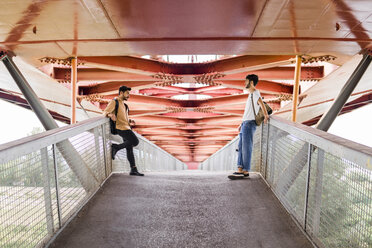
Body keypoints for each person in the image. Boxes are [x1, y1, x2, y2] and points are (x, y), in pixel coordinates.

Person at [103, 85, 144, 176]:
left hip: (126, 127)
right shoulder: (114, 102)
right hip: (121, 128)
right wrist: (110, 115)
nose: (129, 95)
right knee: (135, 141)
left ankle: (133, 169)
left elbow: (123, 117)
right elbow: (105, 112)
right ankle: (116, 147)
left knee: (129, 149)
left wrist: (129, 120)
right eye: (127, 93)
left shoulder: (125, 105)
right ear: (121, 93)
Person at [234, 74, 269, 177]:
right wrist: (241, 123)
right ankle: (240, 168)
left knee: (247, 147)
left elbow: (262, 104)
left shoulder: (256, 93)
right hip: (245, 123)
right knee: (240, 146)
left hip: (250, 123)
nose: (245, 83)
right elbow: (248, 111)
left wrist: (266, 116)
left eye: (246, 81)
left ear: (251, 82)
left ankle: (245, 170)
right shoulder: (250, 94)